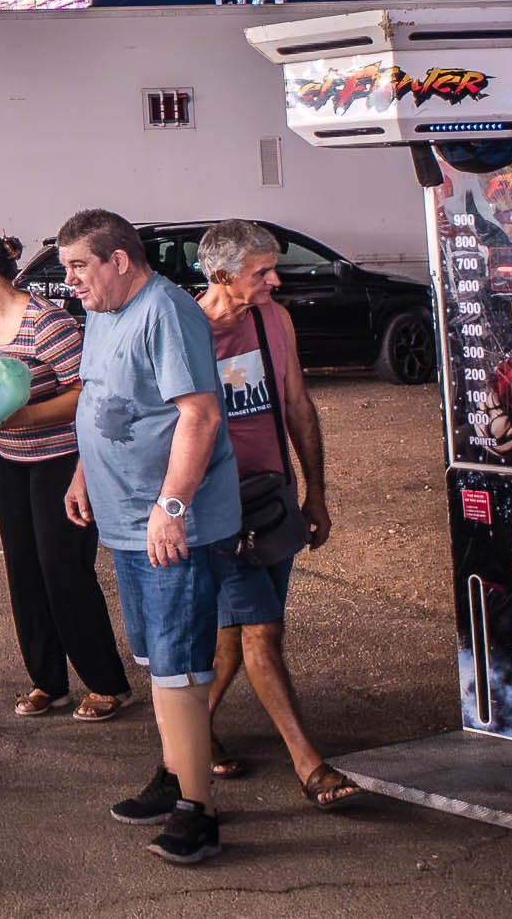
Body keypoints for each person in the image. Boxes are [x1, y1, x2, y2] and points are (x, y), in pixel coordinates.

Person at [59, 208, 242, 866]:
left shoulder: (167, 311)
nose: (70, 279)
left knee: (179, 667)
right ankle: (176, 772)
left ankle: (200, 811)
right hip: (125, 521)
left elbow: (200, 413)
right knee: (156, 660)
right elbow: (102, 397)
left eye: (80, 265)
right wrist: (85, 470)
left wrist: (172, 505)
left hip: (171, 525)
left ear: (119, 260)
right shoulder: (105, 312)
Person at [194, 220, 356, 810]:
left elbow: (297, 407)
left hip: (273, 502)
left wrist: (315, 492)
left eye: (272, 268)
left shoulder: (274, 319)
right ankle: (309, 765)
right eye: (260, 271)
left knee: (234, 639)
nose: (274, 279)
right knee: (264, 630)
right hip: (215, 513)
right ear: (220, 275)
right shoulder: (186, 332)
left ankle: (184, 732)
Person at [0, 233, 132, 722]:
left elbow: (85, 391)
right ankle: (48, 681)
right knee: (23, 570)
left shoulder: (47, 321)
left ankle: (106, 683)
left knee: (63, 569)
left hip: (61, 461)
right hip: (9, 461)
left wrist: (26, 418)